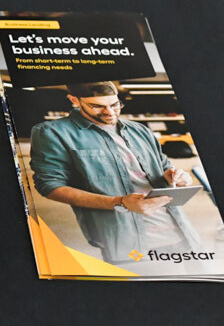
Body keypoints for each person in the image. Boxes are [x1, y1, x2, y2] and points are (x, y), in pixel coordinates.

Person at [29, 81, 201, 264]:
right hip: (129, 242)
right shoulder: (52, 133)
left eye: (115, 104)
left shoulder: (140, 130)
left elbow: (164, 165)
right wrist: (119, 202)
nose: (110, 112)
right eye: (97, 106)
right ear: (75, 100)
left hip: (182, 233)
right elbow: (50, 186)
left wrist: (175, 176)